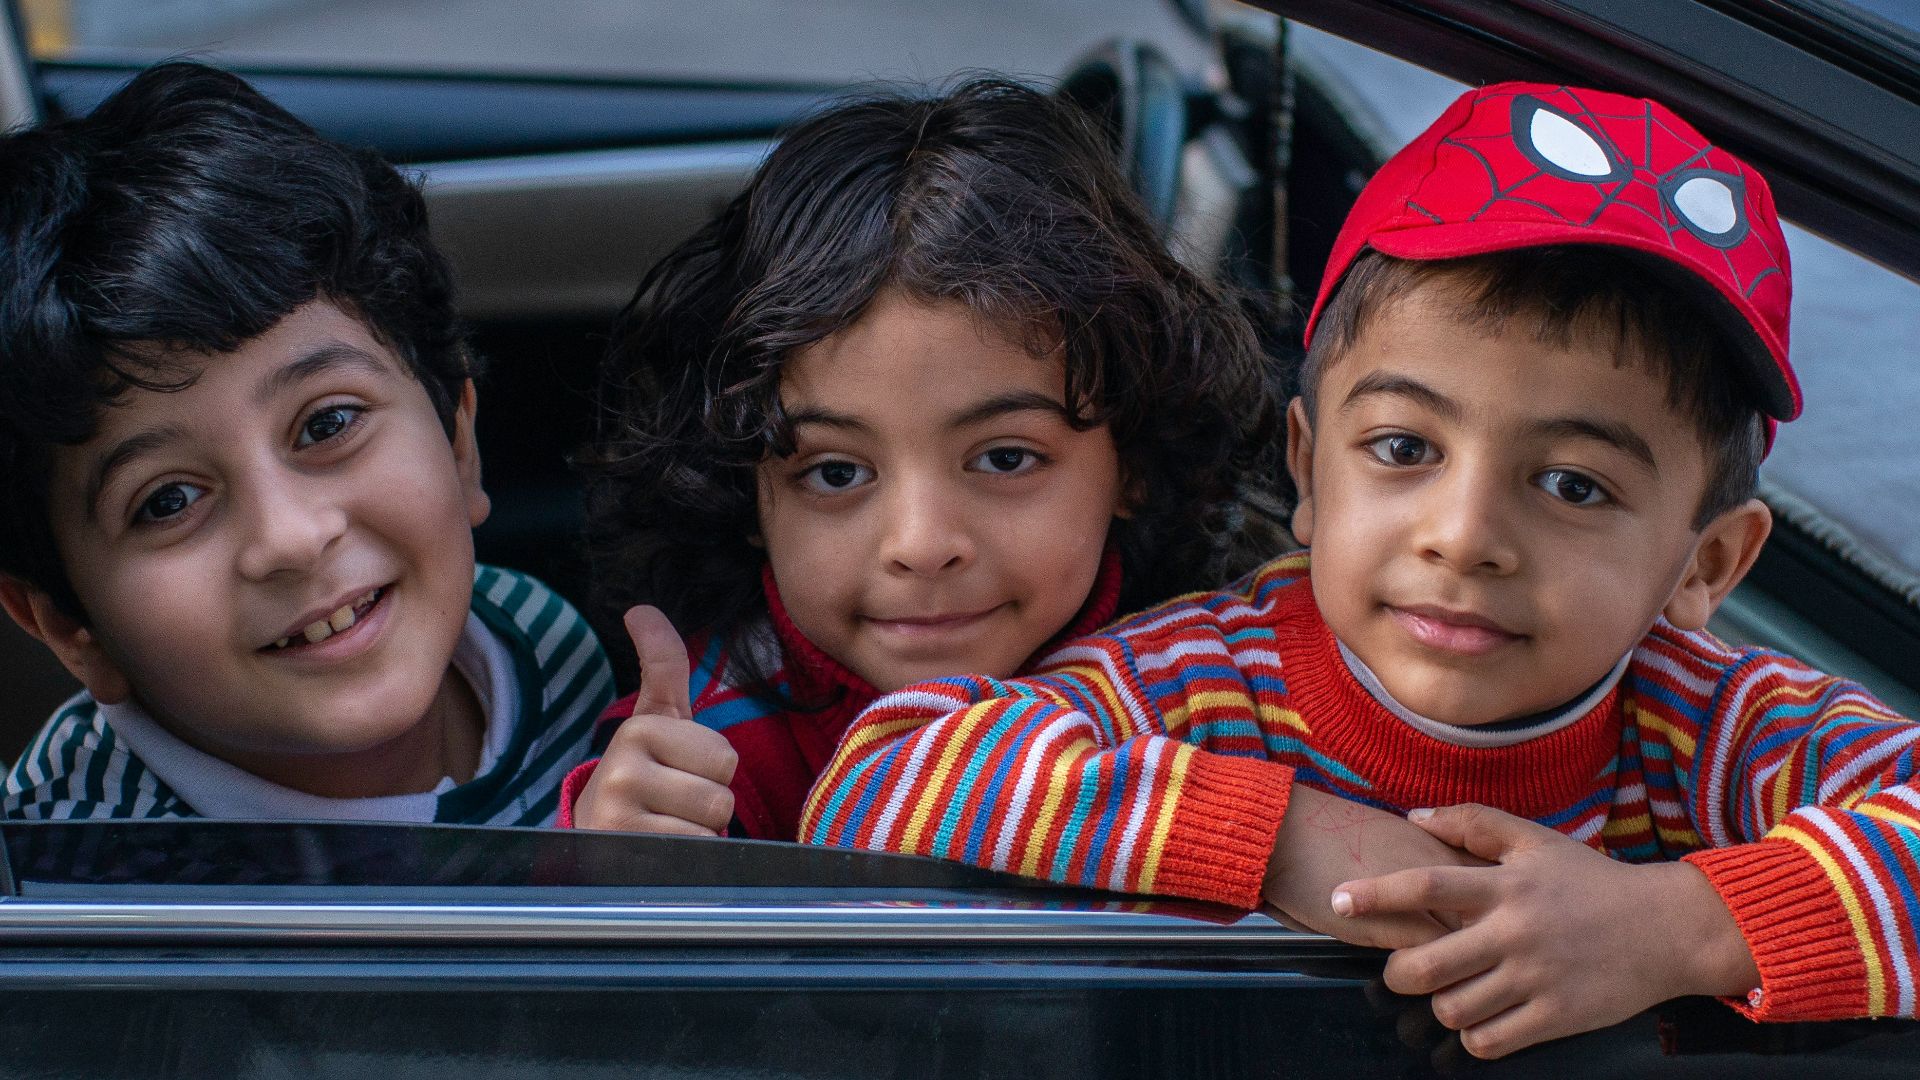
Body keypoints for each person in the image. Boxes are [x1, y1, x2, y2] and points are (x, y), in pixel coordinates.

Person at [797, 82, 1920, 1055]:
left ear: (1706, 565)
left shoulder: (1707, 730)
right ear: (1309, 469)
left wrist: (1672, 927)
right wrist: (1287, 839)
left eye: (1574, 484)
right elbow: (878, 782)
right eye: (1404, 449)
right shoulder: (1199, 687)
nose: (1463, 533)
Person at [559, 78, 1290, 840]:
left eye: (1005, 459)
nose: (922, 544)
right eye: (837, 473)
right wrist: (612, 854)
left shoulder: (1237, 684)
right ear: (748, 491)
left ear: (1131, 462)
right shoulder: (708, 753)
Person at [0, 62, 613, 823]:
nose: (290, 537)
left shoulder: (539, 646)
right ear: (68, 627)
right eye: (168, 501)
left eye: (327, 425)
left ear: (459, 441)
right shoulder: (80, 884)